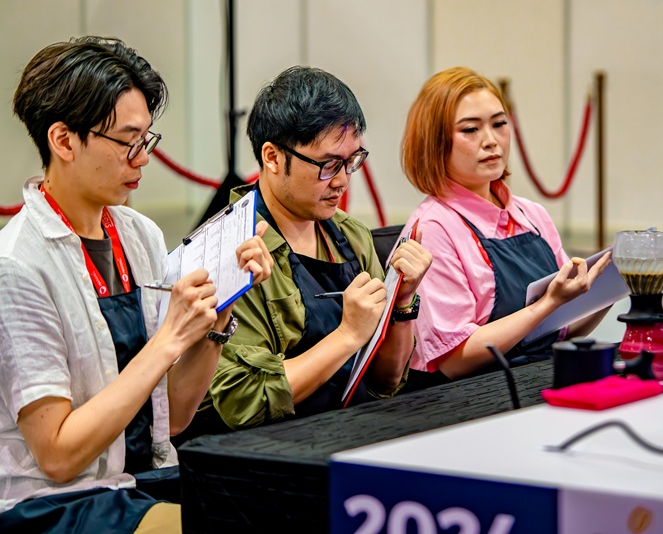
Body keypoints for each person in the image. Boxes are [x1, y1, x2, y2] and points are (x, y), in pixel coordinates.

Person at [0, 37, 273, 533]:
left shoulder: (138, 234)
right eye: (128, 142)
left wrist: (218, 314)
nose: (142, 158)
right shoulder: (17, 266)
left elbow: (174, 418)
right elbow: (58, 456)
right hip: (54, 504)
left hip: (138, 480)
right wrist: (170, 338)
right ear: (63, 141)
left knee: (273, 505)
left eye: (148, 140)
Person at [188, 65, 432, 432]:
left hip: (346, 433)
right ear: (272, 158)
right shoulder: (231, 251)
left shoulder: (351, 237)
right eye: (328, 165)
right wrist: (347, 335)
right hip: (262, 454)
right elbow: (244, 398)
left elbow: (385, 383)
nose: (342, 180)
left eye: (352, 161)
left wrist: (402, 304)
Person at [399, 66, 611, 387]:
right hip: (470, 400)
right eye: (471, 130)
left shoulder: (532, 214)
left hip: (542, 381)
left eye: (499, 124)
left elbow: (563, 328)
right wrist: (549, 303)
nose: (491, 141)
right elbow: (455, 361)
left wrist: (612, 288)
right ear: (434, 143)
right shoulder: (433, 228)